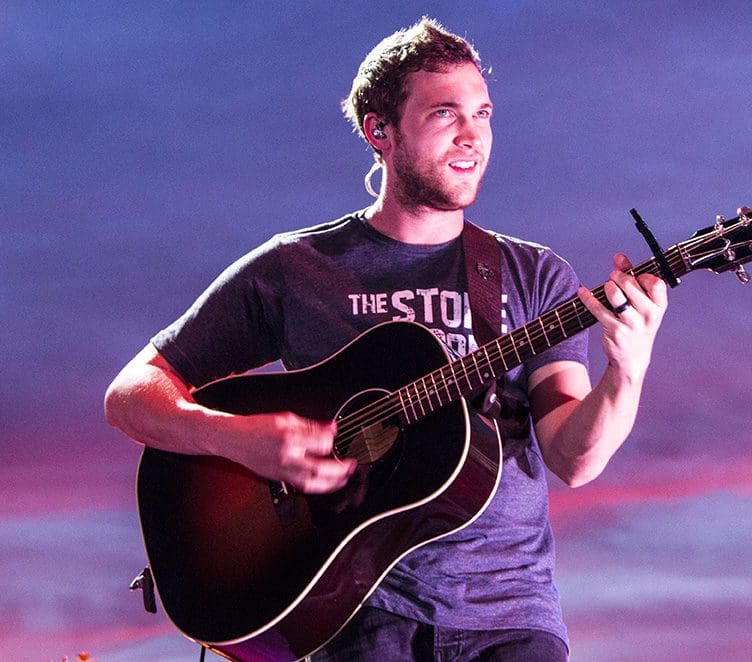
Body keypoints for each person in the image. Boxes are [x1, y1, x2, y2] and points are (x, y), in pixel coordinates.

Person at [105, 17, 667, 661]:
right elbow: (130, 396)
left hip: (512, 618)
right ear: (381, 132)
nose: (472, 135)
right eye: (445, 113)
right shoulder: (295, 267)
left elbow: (573, 459)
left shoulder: (533, 274)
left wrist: (627, 372)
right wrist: (240, 440)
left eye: (483, 114)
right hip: (353, 614)